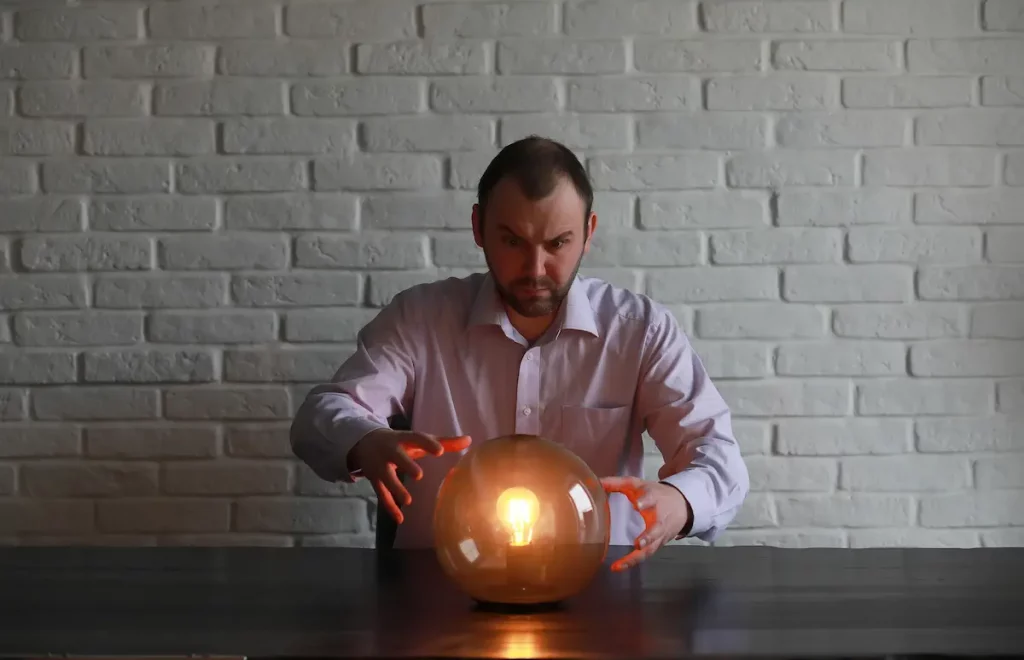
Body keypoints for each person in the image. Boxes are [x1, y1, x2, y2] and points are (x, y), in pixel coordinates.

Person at [290, 135, 749, 571]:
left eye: (558, 243)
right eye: (513, 241)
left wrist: (679, 503)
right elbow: (321, 415)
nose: (535, 269)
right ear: (478, 228)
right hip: (435, 590)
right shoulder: (420, 319)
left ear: (588, 232)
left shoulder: (639, 331)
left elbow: (719, 459)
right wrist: (365, 440)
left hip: (601, 592)